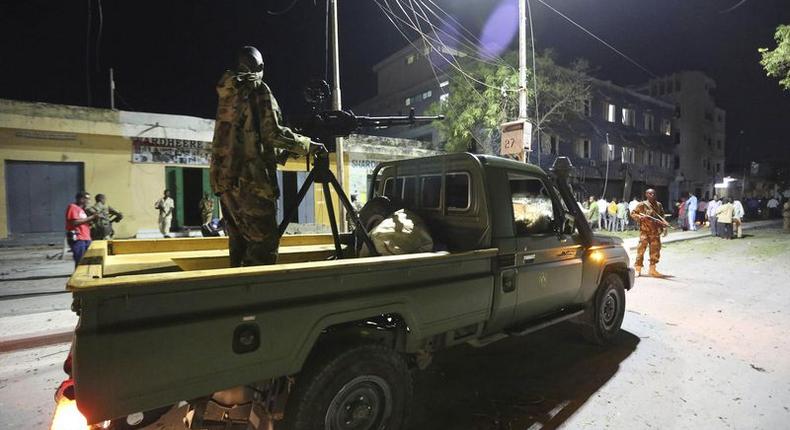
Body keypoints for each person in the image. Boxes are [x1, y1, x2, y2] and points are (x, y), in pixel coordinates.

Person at [211, 45, 324, 267]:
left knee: (239, 244)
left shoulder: (228, 92)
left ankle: (239, 295)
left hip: (225, 181)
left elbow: (249, 135)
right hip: (251, 181)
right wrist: (307, 145)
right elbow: (273, 133)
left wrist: (281, 154)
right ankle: (260, 297)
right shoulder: (257, 88)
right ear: (261, 66)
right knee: (264, 246)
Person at [630, 189, 668, 277]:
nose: (652, 195)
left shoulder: (658, 205)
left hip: (655, 232)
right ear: (646, 195)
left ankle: (652, 269)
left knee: (655, 251)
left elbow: (662, 217)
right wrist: (640, 217)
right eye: (650, 194)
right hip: (645, 232)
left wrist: (664, 226)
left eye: (654, 194)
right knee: (641, 251)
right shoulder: (642, 205)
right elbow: (633, 213)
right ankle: (638, 269)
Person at [65, 192, 99, 267]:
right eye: (87, 198)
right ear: (81, 199)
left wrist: (94, 220)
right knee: (80, 260)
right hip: (78, 238)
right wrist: (91, 217)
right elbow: (75, 222)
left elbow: (84, 222)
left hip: (86, 237)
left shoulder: (82, 210)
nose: (89, 201)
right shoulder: (73, 207)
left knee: (87, 260)